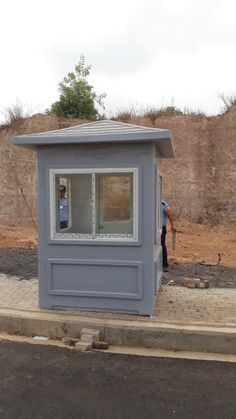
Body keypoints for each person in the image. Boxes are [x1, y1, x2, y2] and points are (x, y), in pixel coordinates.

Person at [161, 200, 176, 272]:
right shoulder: (150, 203)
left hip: (161, 228)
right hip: (150, 229)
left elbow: (169, 214)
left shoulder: (163, 204)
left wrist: (172, 226)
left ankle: (164, 265)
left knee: (162, 246)